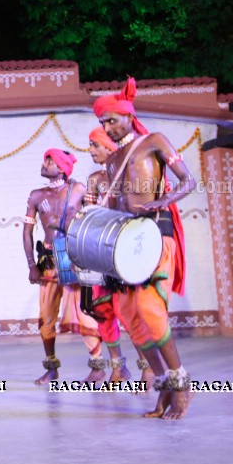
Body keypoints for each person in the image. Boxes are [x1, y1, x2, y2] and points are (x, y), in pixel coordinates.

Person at [94, 77, 195, 419]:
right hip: (126, 241)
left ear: (127, 116)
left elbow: (189, 180)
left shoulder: (154, 141)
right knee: (131, 319)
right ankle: (165, 386)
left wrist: (160, 202)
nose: (107, 127)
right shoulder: (113, 160)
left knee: (151, 312)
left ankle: (182, 383)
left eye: (111, 119)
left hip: (155, 232)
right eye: (102, 122)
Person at [22, 149, 104, 385]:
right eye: (45, 158)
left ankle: (98, 366)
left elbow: (94, 219)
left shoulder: (78, 190)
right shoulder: (36, 196)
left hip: (74, 260)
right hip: (47, 261)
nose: (44, 163)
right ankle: (51, 367)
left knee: (83, 313)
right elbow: (27, 232)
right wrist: (31, 265)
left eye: (50, 160)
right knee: (46, 316)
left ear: (62, 167)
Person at [84, 127, 145, 386]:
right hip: (101, 253)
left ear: (109, 146)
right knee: (103, 312)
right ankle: (119, 368)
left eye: (95, 145)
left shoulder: (129, 175)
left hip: (125, 253)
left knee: (128, 313)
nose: (91, 151)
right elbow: (87, 215)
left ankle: (148, 368)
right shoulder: (94, 179)